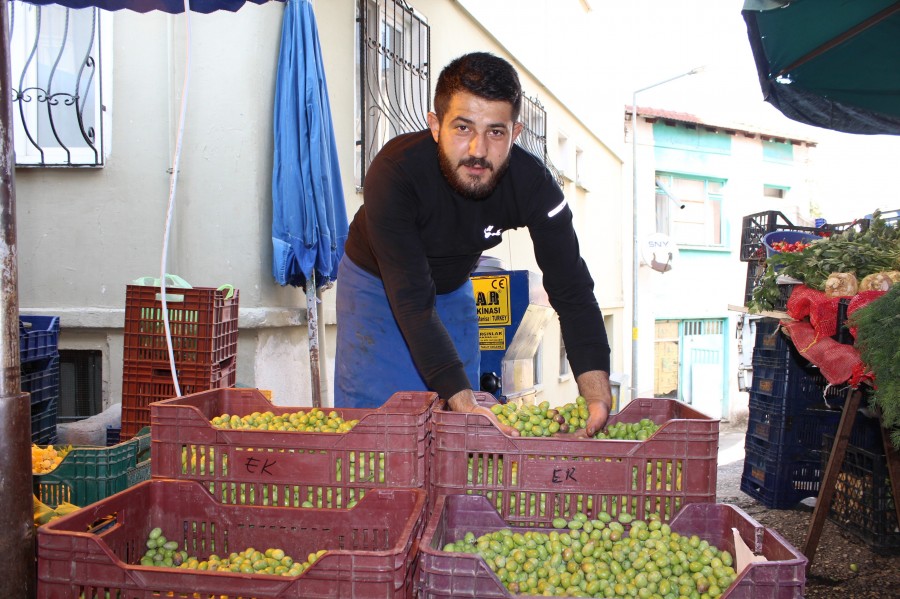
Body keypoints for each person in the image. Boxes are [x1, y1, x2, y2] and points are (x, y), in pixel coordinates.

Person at [334, 51, 612, 436]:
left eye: (495, 132)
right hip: (376, 284)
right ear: (435, 125)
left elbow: (572, 289)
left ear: (515, 134)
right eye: (462, 128)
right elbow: (412, 299)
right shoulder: (395, 172)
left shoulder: (535, 187)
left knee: (460, 426)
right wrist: (460, 398)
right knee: (378, 425)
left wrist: (596, 392)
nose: (478, 150)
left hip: (453, 285)